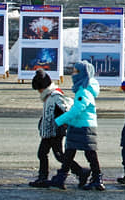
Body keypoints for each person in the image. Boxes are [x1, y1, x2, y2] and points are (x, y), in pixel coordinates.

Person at [50, 61, 104, 190]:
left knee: (89, 154)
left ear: (82, 74)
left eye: (75, 72)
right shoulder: (84, 90)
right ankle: (62, 177)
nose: (73, 74)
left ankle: (97, 178)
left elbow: (76, 110)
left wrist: (60, 120)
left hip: (83, 127)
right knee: (70, 153)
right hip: (80, 126)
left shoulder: (83, 92)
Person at [29, 69, 87, 188]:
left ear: (44, 87)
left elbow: (66, 111)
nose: (38, 92)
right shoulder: (50, 96)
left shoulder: (55, 96)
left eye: (39, 89)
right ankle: (43, 177)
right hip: (49, 131)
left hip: (55, 132)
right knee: (44, 154)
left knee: (58, 155)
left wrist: (60, 123)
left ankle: (81, 172)